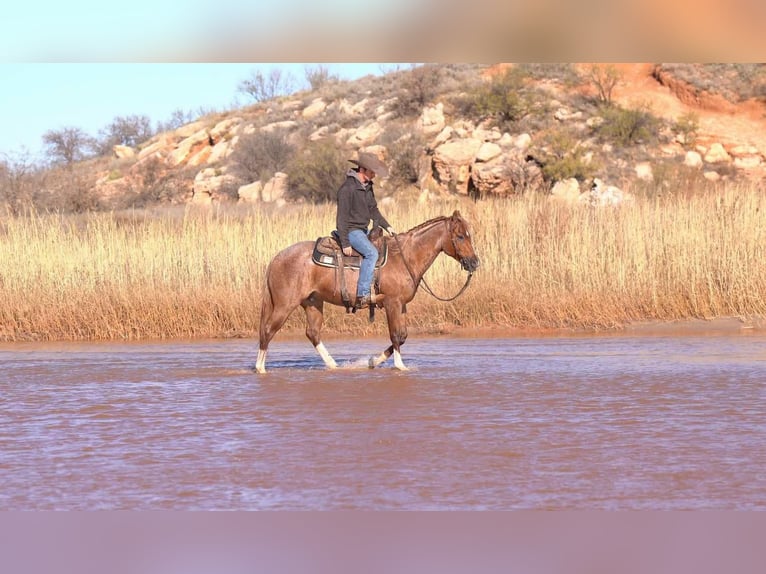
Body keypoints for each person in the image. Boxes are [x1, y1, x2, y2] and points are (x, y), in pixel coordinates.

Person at [336, 151, 396, 309]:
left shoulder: (367, 187)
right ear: (362, 170)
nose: (375, 175)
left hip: (363, 230)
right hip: (351, 231)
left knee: (385, 247)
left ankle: (376, 287)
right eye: (372, 171)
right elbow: (341, 219)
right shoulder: (347, 189)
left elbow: (373, 210)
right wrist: (345, 243)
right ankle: (363, 294)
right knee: (372, 253)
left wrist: (387, 226)